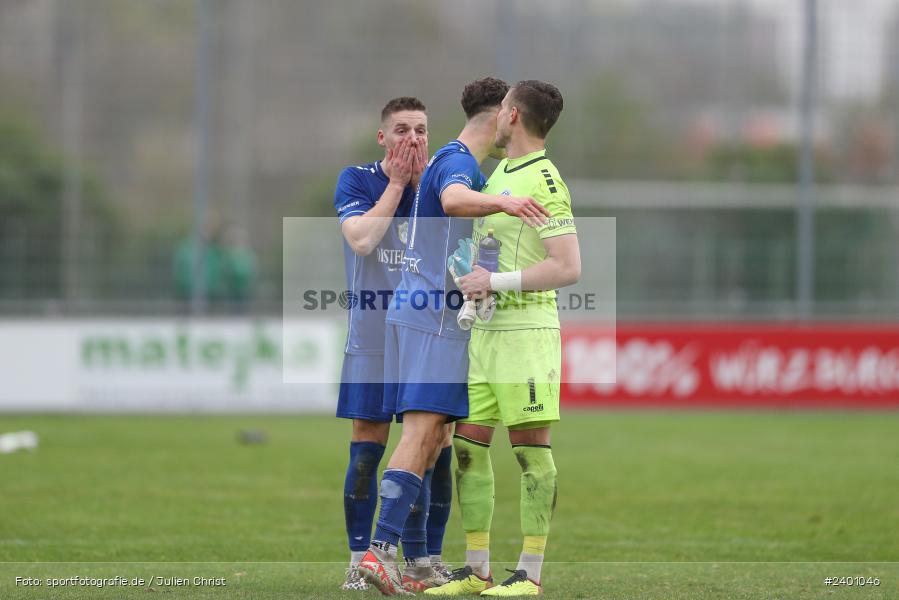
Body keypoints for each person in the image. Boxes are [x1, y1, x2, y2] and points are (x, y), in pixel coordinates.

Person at [357, 77, 551, 596]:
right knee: (422, 435)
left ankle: (413, 559)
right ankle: (380, 553)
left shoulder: (452, 155)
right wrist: (504, 205)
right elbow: (452, 199)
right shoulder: (462, 163)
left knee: (439, 436)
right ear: (502, 114)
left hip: (422, 312)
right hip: (432, 319)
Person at [426, 80, 580, 597]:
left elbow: (567, 267)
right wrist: (473, 273)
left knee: (530, 451)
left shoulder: (545, 179)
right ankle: (476, 570)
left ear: (511, 114)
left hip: (527, 332)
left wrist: (495, 282)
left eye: (503, 105)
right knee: (467, 448)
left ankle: (530, 575)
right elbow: (499, 246)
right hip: (487, 331)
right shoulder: (501, 173)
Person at [333, 97, 454, 591]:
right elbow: (361, 240)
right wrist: (399, 185)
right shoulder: (357, 179)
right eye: (401, 130)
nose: (413, 139)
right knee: (367, 447)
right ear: (382, 137)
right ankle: (361, 558)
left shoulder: (445, 185)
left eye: (421, 130)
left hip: (427, 334)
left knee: (433, 444)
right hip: (373, 336)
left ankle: (424, 560)